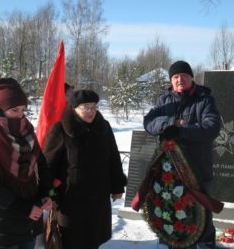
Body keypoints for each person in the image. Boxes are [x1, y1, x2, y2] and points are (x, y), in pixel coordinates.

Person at [143, 60, 221, 249]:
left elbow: (211, 128)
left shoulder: (205, 99)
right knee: (172, 209)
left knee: (201, 213)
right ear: (171, 80)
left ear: (191, 77)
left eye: (183, 76)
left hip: (197, 168)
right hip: (170, 170)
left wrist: (181, 131)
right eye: (175, 77)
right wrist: (170, 122)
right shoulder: (164, 99)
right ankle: (173, 242)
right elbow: (149, 122)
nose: (179, 80)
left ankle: (206, 243)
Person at [43, 89, 127, 249]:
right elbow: (48, 165)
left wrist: (117, 186)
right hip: (71, 199)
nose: (91, 111)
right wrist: (49, 193)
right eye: (86, 107)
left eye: (94, 107)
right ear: (74, 108)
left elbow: (114, 158)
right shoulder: (61, 129)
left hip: (98, 197)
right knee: (72, 240)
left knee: (93, 238)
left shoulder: (104, 127)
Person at [0, 78, 52, 249]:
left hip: (31, 217)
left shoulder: (27, 129)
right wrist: (25, 209)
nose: (20, 115)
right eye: (14, 110)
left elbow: (42, 164)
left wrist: (46, 194)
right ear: (1, 110)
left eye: (23, 110)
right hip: (5, 221)